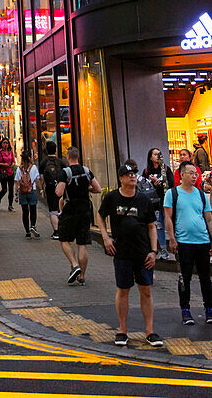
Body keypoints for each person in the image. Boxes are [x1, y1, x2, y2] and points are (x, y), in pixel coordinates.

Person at [96, 160, 163, 348]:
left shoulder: (143, 200)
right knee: (123, 290)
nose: (133, 176)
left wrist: (153, 251)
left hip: (143, 253)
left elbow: (151, 226)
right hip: (122, 252)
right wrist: (106, 237)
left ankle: (149, 331)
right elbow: (100, 216)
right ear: (121, 179)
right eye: (128, 174)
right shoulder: (112, 198)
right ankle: (122, 330)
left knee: (146, 290)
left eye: (134, 173)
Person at [164, 160, 212, 325]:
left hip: (203, 241)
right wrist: (172, 238)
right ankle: (186, 310)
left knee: (206, 277)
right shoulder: (172, 193)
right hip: (184, 242)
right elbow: (168, 218)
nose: (194, 176)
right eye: (191, 173)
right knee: (185, 278)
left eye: (196, 173)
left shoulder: (200, 194)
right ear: (181, 174)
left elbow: (209, 219)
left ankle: (209, 309)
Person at [55, 146, 101, 285]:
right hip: (85, 209)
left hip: (70, 209)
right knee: (82, 244)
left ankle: (74, 265)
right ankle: (82, 276)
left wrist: (58, 187)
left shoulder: (65, 172)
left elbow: (59, 193)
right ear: (78, 157)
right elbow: (98, 189)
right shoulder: (86, 171)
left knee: (64, 239)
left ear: (68, 157)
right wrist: (87, 189)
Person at [141, 148, 174, 261]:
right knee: (159, 225)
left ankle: (173, 245)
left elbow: (171, 185)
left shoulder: (165, 169)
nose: (157, 156)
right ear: (150, 157)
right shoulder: (146, 171)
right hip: (153, 203)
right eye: (155, 154)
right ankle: (163, 249)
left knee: (169, 223)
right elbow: (142, 186)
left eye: (159, 154)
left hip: (166, 201)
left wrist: (158, 182)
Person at [39, 140, 66, 239]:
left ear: (46, 150)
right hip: (60, 187)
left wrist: (43, 189)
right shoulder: (61, 161)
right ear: (55, 150)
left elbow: (41, 177)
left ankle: (56, 232)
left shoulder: (44, 162)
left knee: (52, 210)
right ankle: (63, 229)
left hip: (50, 188)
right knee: (61, 208)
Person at [15, 149, 40, 238]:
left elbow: (17, 181)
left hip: (22, 192)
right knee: (33, 209)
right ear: (30, 158)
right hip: (32, 190)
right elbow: (37, 180)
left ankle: (27, 232)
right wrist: (41, 190)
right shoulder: (34, 168)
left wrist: (16, 194)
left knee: (25, 211)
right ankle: (32, 226)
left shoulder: (19, 169)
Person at [0, 137, 15, 211]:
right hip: (3, 173)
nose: (5, 144)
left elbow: (13, 160)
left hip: (10, 173)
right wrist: (3, 164)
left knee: (11, 189)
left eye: (7, 143)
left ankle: (10, 205)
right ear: (1, 144)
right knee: (4, 189)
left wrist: (12, 164)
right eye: (4, 143)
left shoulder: (10, 151)